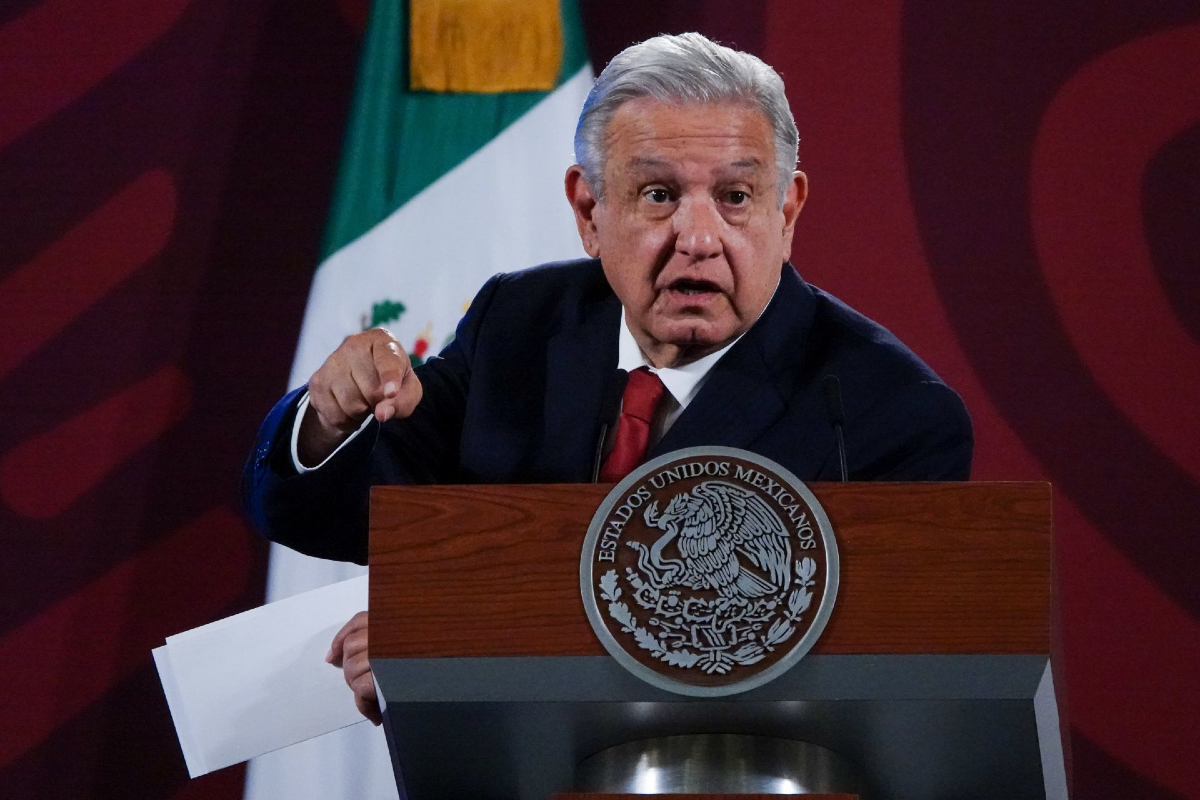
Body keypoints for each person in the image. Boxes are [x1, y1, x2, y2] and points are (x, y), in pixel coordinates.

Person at [243, 33, 973, 723]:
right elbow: (355, 514)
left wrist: (458, 638)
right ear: (589, 211)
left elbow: (846, 677)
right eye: (658, 195)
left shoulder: (887, 415)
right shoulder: (519, 325)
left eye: (736, 198)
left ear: (787, 211)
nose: (698, 237)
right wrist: (328, 420)